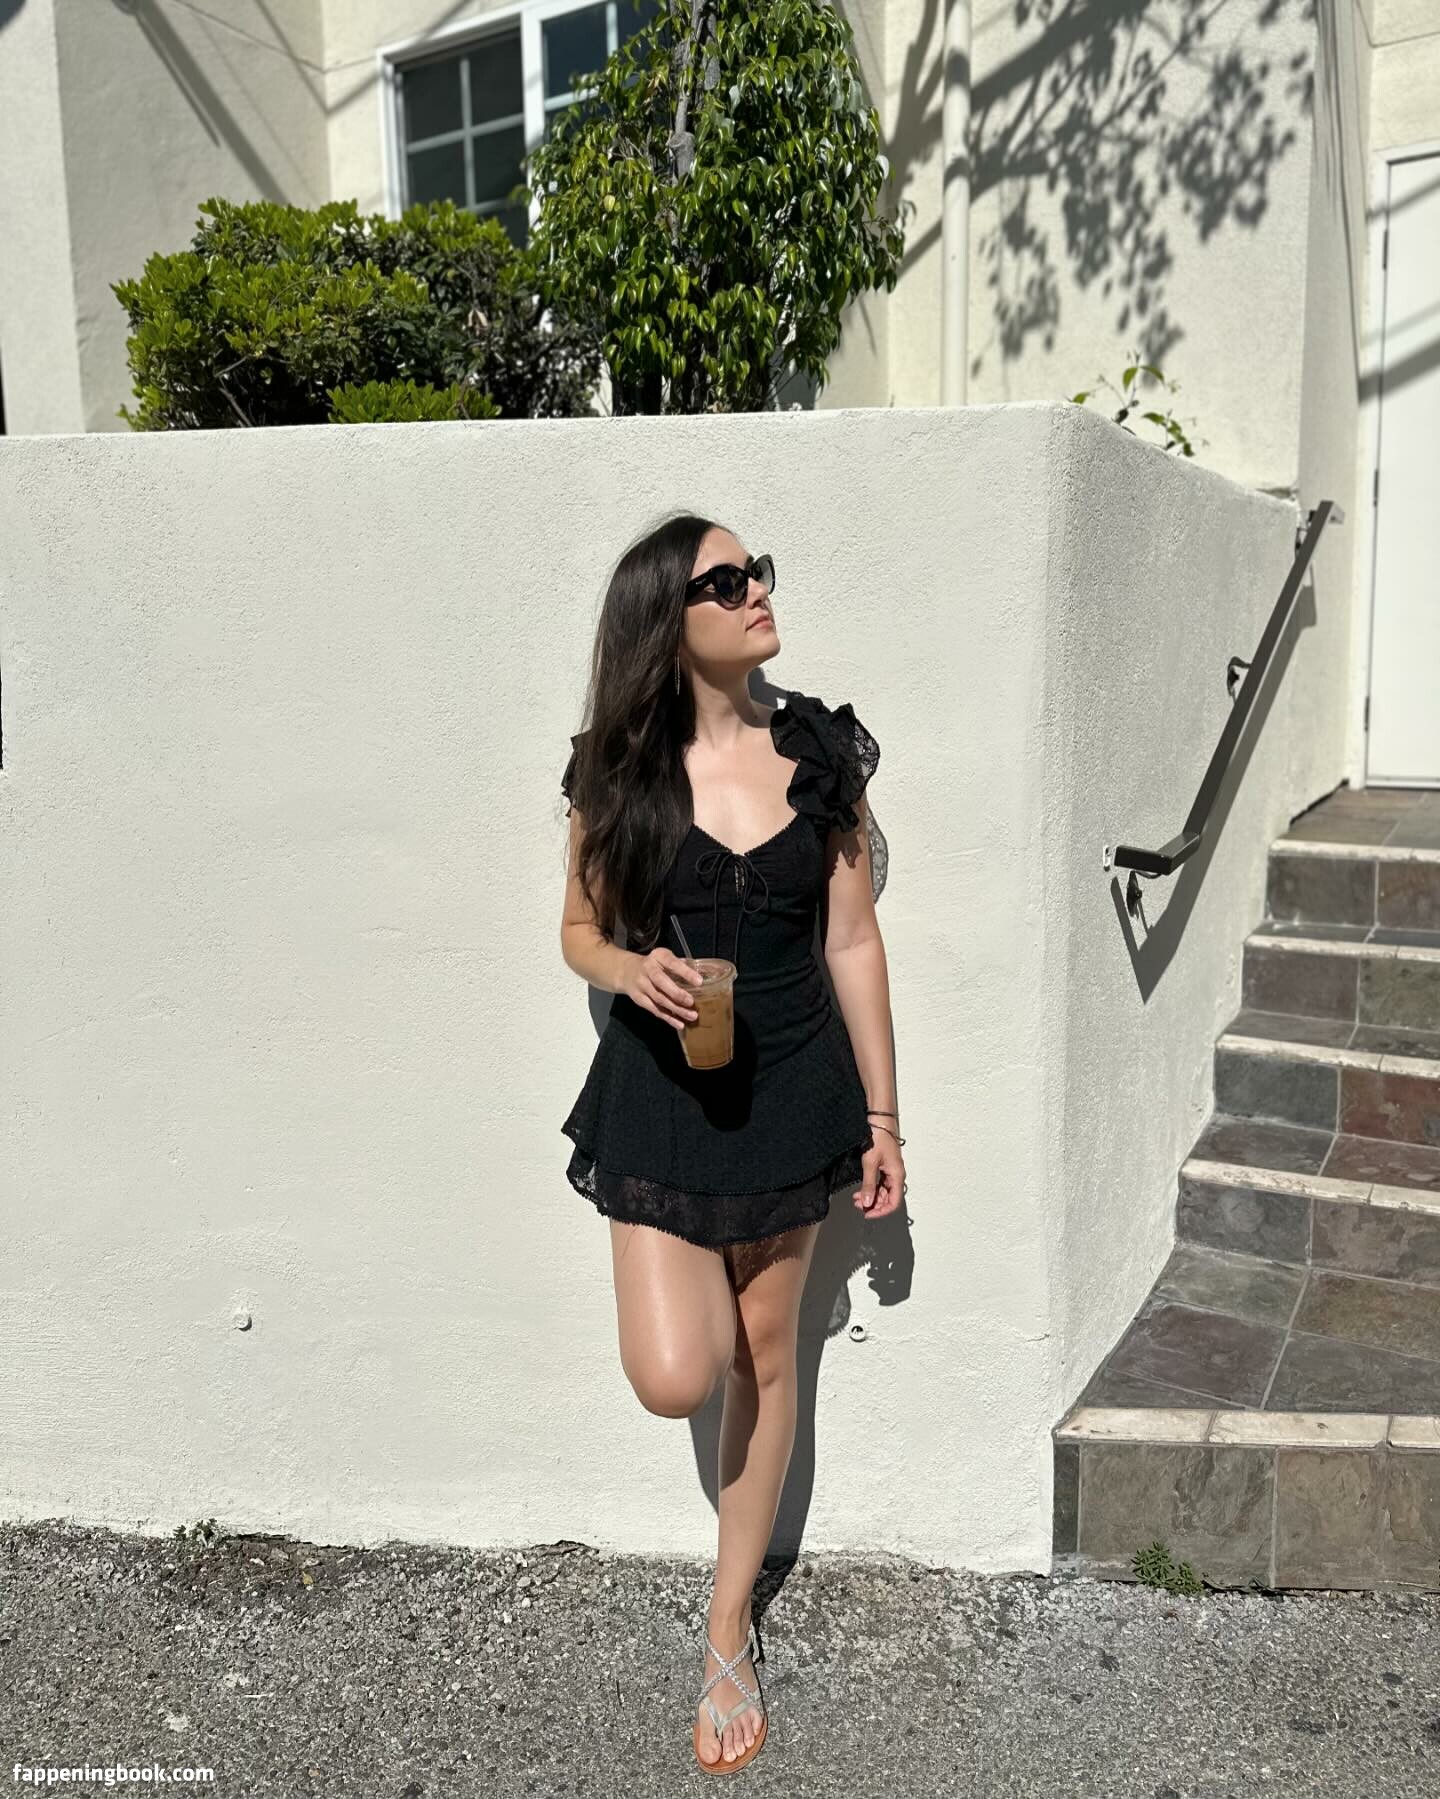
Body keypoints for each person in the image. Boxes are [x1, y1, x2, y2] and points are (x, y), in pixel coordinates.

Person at [557, 511, 904, 1775]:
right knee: (677, 1371)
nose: (756, 588)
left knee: (769, 1347)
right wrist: (628, 967)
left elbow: (851, 939)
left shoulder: (818, 753)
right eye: (725, 578)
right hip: (661, 1091)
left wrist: (883, 1117)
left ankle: (727, 1626)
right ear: (668, 619)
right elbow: (578, 930)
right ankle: (730, 1589)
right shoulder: (620, 770)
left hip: (796, 1086)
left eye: (758, 569)